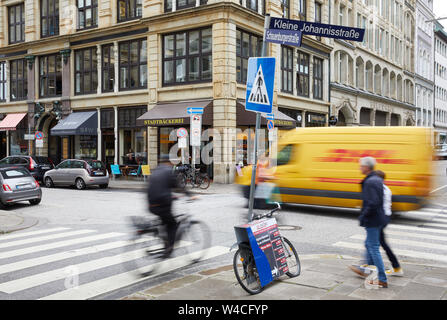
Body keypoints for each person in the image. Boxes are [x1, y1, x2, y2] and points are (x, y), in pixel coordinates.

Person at [348, 157, 388, 288]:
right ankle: (365, 270)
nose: (360, 168)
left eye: (361, 166)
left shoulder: (370, 181)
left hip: (373, 219)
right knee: (369, 244)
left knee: (374, 248)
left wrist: (363, 216)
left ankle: (382, 278)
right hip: (378, 218)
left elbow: (373, 202)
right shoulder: (376, 179)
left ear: (367, 167)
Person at [147, 154, 193, 258]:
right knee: (172, 224)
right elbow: (178, 186)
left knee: (164, 222)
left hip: (151, 205)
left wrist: (171, 196)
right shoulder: (168, 171)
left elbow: (153, 187)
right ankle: (169, 249)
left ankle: (165, 243)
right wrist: (189, 195)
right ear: (169, 162)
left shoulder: (155, 171)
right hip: (163, 205)